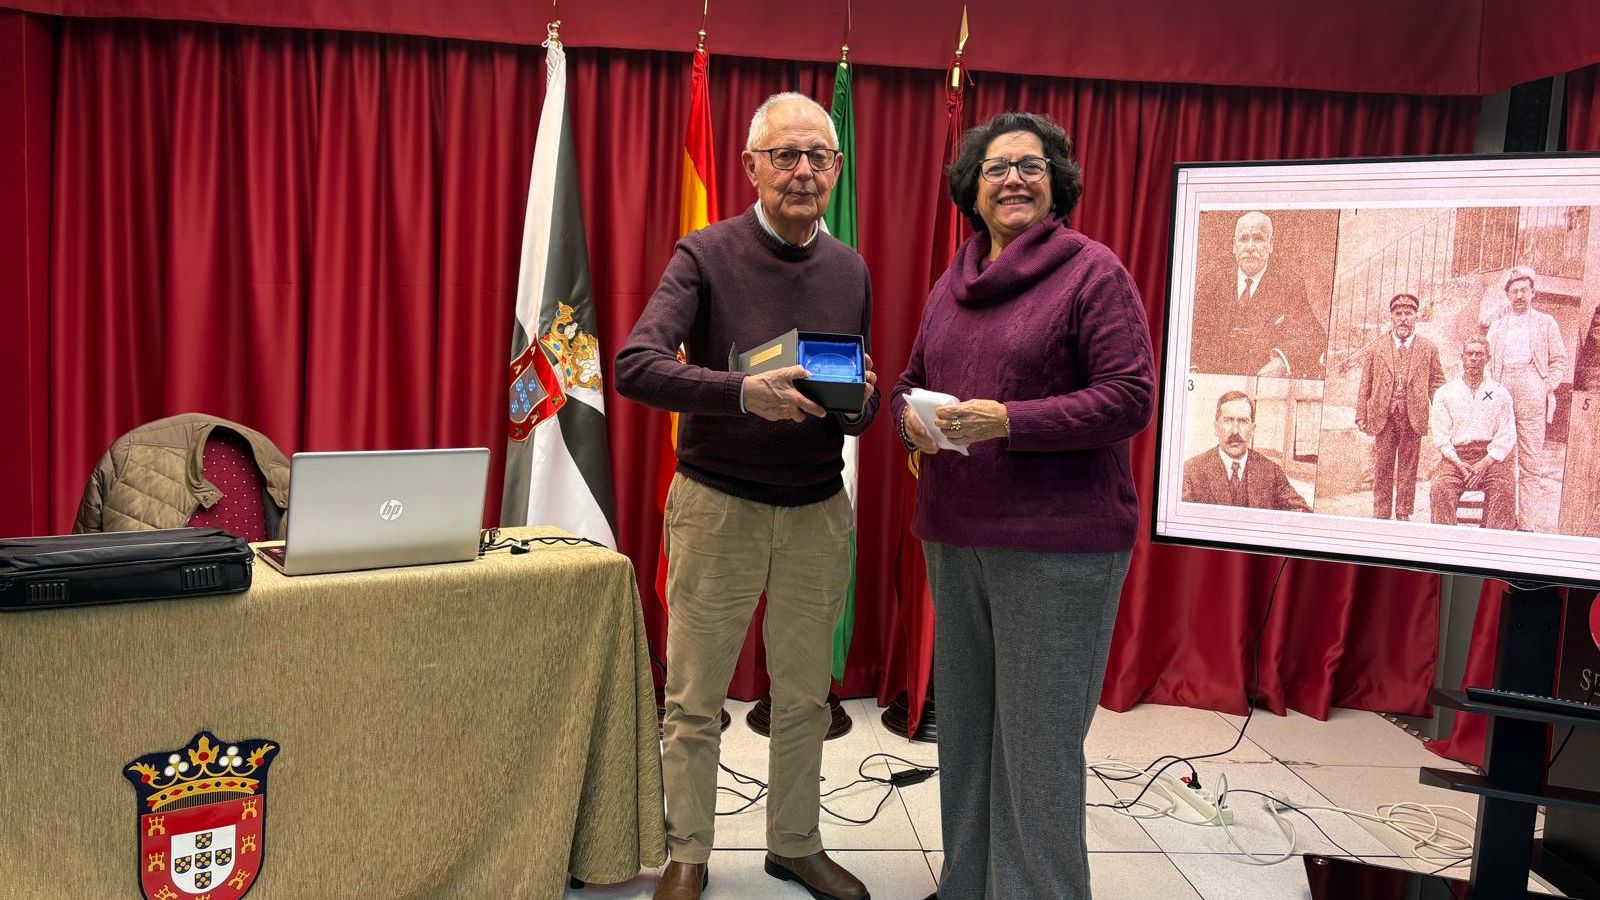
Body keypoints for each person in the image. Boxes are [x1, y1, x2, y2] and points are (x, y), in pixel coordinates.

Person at [615, 93, 877, 900]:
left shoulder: (850, 268)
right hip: (717, 507)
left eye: (818, 158)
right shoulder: (703, 253)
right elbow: (635, 364)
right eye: (786, 155)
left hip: (816, 511)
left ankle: (793, 843)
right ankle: (689, 852)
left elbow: (853, 384)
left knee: (803, 697)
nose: (803, 172)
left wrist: (862, 401)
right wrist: (740, 393)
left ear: (835, 170)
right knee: (693, 699)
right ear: (751, 166)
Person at [889, 111, 1155, 900]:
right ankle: (966, 885)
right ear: (971, 189)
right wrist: (907, 411)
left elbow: (1130, 396)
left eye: (1030, 166)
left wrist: (1012, 421)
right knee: (968, 735)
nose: (1013, 178)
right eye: (996, 167)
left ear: (1056, 183)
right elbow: (909, 377)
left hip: (1058, 548)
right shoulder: (952, 282)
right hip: (956, 534)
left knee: (1037, 751)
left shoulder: (1093, 273)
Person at [1190, 210, 1328, 379]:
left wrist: (1282, 360)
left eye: (1258, 238)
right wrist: (1193, 369)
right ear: (1234, 245)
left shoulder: (1289, 285)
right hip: (1215, 384)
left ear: (1270, 245)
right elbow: (1193, 332)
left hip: (1263, 388)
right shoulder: (1212, 283)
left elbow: (1313, 335)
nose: (1250, 247)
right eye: (1243, 239)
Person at [1486, 266, 1568, 531]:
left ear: (1533, 292)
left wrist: (1546, 386)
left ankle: (1528, 525)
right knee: (1502, 459)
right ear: (1508, 295)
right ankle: (1502, 521)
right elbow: (1487, 362)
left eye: (1524, 290)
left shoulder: (1546, 323)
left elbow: (1559, 361)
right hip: (1503, 389)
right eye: (1514, 291)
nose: (1519, 295)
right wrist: (1492, 392)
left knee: (1531, 461)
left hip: (1532, 389)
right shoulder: (1497, 326)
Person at [1356, 293, 1445, 520]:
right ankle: (1381, 513)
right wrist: (1361, 414)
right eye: (1398, 314)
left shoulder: (1428, 348)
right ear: (1391, 317)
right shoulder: (1376, 348)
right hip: (1382, 416)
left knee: (1408, 468)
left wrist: (1444, 411)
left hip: (1413, 416)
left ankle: (1404, 513)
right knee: (1383, 467)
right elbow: (1365, 384)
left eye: (1408, 314)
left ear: (1416, 316)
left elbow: (1437, 383)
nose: (1403, 319)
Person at [1428, 337, 1516, 529]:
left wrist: (1484, 464)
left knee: (1504, 488)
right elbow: (1441, 436)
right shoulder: (1446, 392)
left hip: (1490, 458)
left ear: (1488, 359)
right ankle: (1445, 547)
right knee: (1440, 487)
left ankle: (1492, 546)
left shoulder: (1500, 393)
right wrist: (1459, 465)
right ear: (1462, 357)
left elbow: (1506, 434)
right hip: (1455, 458)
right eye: (1470, 354)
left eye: (1479, 354)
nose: (1474, 358)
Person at [1181, 391, 1312, 511]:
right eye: (1228, 421)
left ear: (1253, 429)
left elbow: (1302, 512)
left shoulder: (1271, 472)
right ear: (1216, 427)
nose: (1235, 431)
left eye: (1243, 421)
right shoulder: (1191, 471)